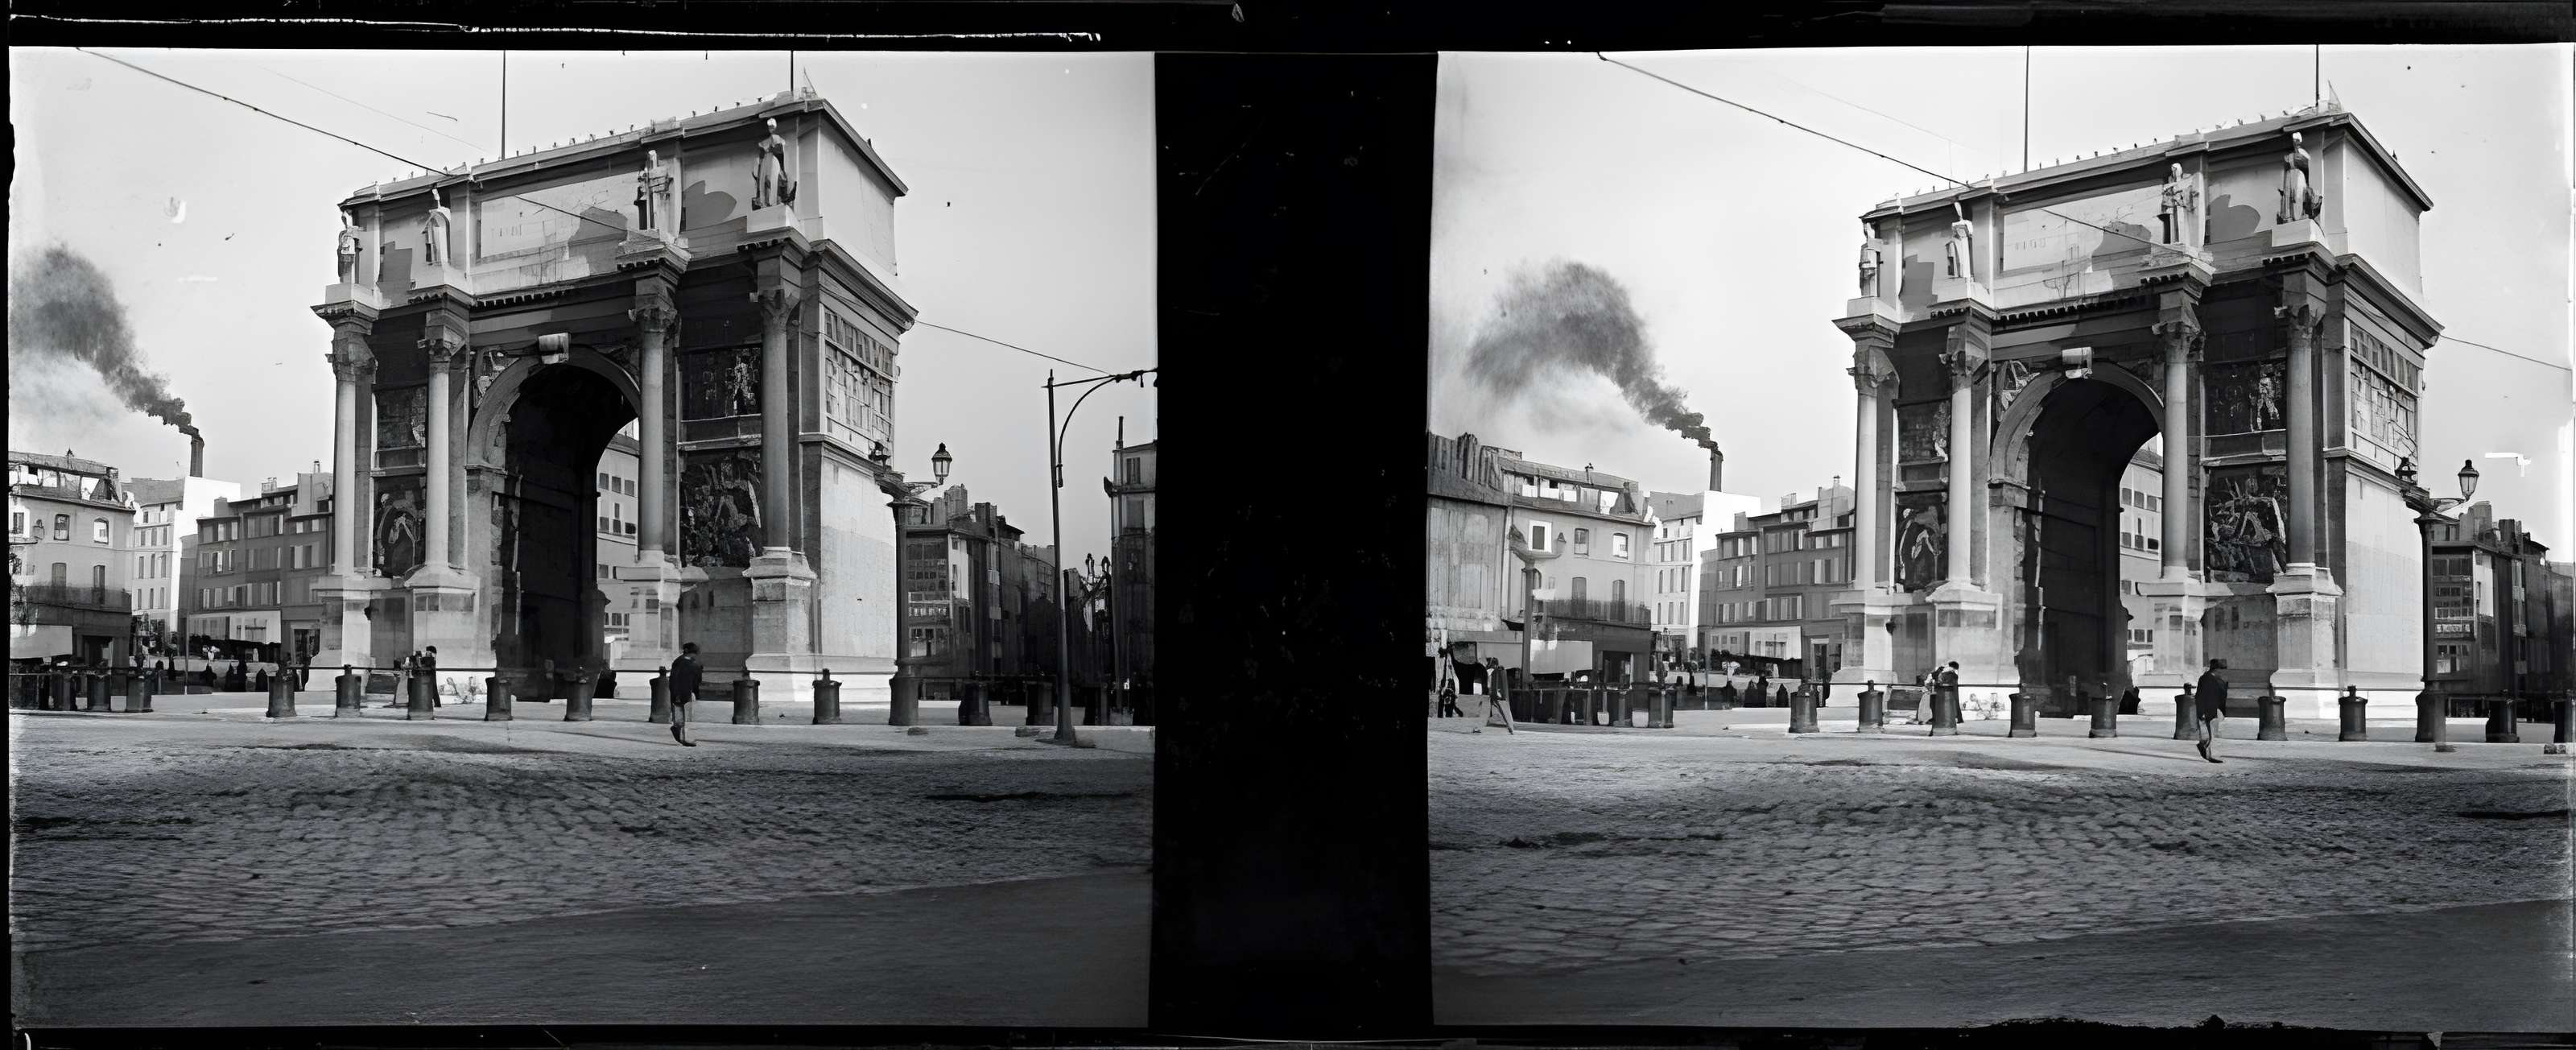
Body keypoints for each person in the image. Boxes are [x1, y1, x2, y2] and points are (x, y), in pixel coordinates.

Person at [2194, 659, 2229, 763]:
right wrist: (2201, 712)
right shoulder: (2206, 679)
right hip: (2208, 710)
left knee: (2210, 734)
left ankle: (2203, 747)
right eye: (2221, 669)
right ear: (2216, 669)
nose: (2222, 671)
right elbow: (2200, 697)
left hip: (2214, 710)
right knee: (2211, 734)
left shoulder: (2216, 679)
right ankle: (2209, 755)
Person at [668, 642, 703, 746]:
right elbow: (674, 680)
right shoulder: (680, 662)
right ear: (688, 652)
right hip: (679, 692)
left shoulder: (690, 662)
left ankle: (678, 732)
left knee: (682, 717)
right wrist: (676, 692)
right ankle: (682, 738)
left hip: (686, 692)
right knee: (680, 717)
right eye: (693, 653)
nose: (695, 655)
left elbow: (694, 679)